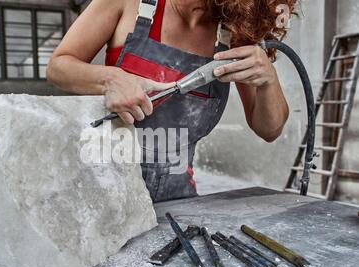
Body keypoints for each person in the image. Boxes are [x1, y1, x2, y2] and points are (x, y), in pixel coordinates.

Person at [47, 0, 295, 202]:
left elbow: (268, 129)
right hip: (108, 195)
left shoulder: (234, 32)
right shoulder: (127, 4)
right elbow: (58, 67)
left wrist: (268, 81)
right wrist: (110, 79)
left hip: (178, 200)